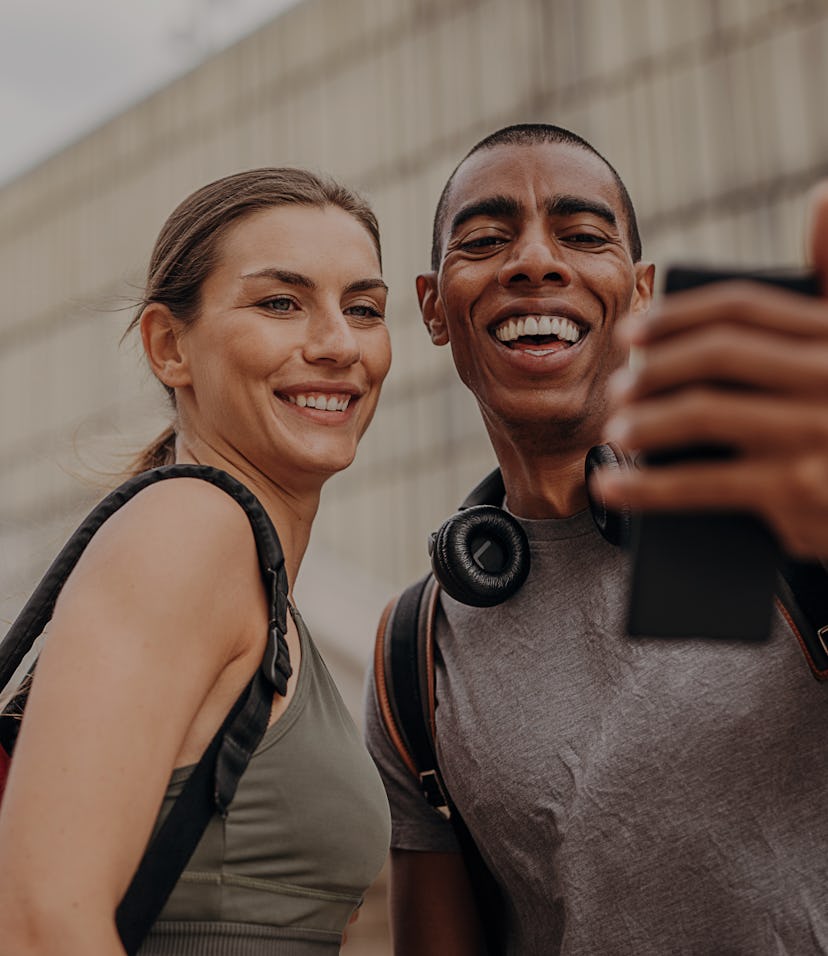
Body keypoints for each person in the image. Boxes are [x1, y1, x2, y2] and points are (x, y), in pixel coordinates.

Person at [364, 123, 828, 955]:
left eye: (582, 236)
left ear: (640, 290)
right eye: (485, 241)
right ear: (435, 308)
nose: (535, 262)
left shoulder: (781, 501)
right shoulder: (413, 652)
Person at [0, 167, 392, 955]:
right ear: (168, 345)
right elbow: (43, 922)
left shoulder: (256, 584)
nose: (338, 344)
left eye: (364, 309)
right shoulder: (189, 531)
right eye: (281, 302)